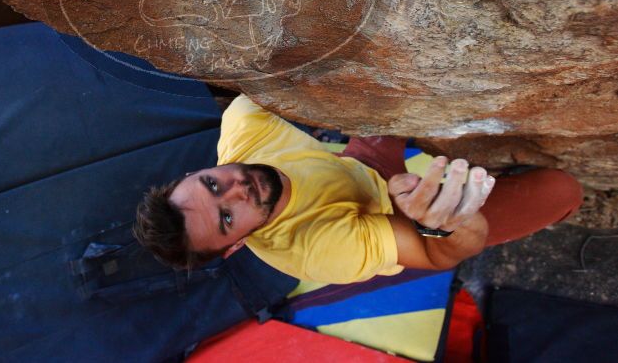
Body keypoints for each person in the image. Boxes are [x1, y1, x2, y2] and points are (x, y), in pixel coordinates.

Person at [134, 95, 583, 284]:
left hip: (361, 167)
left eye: (212, 183)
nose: (236, 191)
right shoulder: (317, 250)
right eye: (227, 218)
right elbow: (434, 256)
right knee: (562, 190)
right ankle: (482, 190)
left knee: (395, 85)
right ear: (237, 246)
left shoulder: (242, 129)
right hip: (391, 221)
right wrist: (447, 222)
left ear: (199, 170)